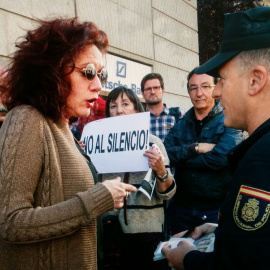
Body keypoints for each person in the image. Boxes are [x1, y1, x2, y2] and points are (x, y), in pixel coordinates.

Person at [0, 18, 137, 270]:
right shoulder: (27, 119)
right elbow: (10, 222)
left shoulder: (63, 126)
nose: (98, 85)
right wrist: (96, 199)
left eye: (101, 74)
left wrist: (105, 193)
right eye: (88, 72)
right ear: (53, 70)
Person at [162, 6, 270, 270]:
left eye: (220, 80)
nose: (215, 92)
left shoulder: (261, 161)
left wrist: (186, 258)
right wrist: (222, 228)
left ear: (255, 81)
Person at [101, 86, 176, 270]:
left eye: (125, 104)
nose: (119, 110)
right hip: (112, 230)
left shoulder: (153, 142)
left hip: (147, 231)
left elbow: (168, 192)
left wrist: (160, 171)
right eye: (113, 106)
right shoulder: (101, 143)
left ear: (136, 110)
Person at [164, 69, 242, 235]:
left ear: (215, 88)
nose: (199, 93)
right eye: (193, 88)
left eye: (205, 86)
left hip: (215, 209)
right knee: (177, 257)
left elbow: (222, 158)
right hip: (181, 209)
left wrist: (183, 160)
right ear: (188, 91)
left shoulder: (229, 121)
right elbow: (167, 154)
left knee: (213, 258)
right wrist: (196, 148)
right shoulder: (181, 124)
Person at [141, 73, 185, 142]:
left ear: (163, 91)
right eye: (148, 89)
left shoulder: (178, 114)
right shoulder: (139, 119)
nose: (152, 92)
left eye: (156, 88)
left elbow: (187, 143)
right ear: (143, 94)